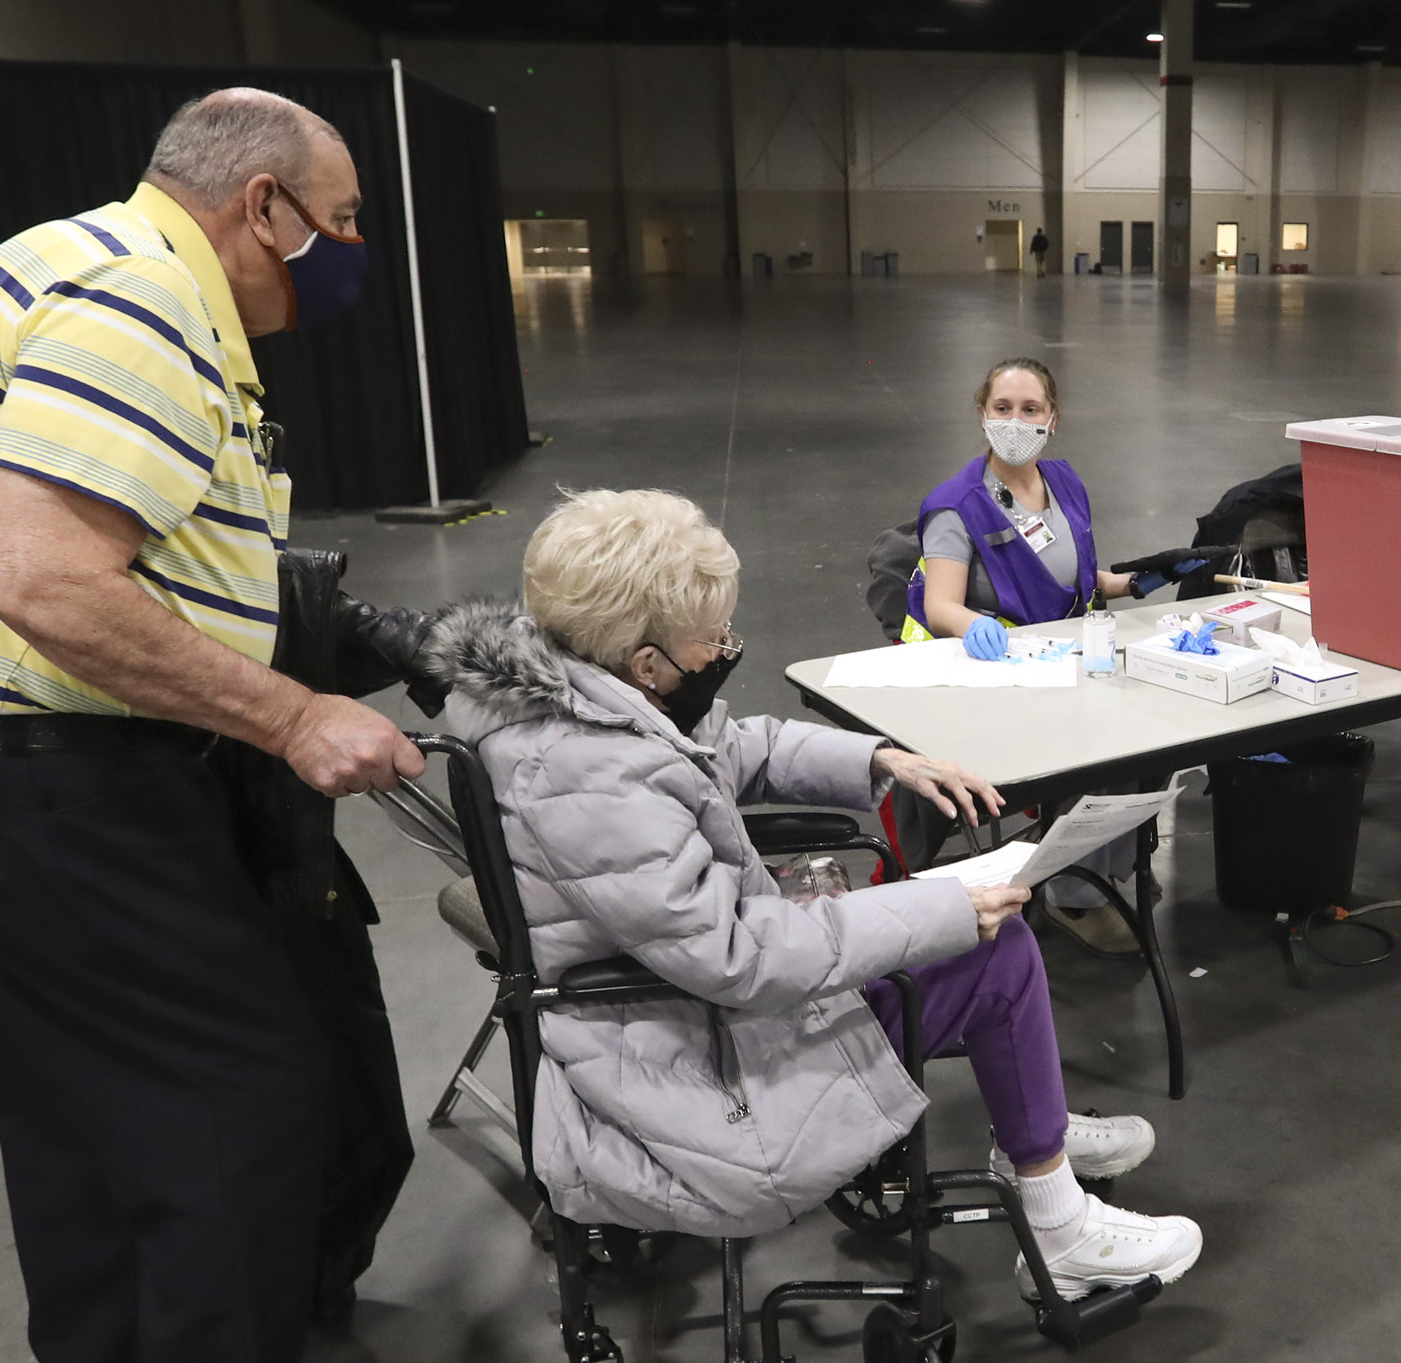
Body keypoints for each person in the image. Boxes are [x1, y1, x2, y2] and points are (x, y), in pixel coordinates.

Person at [0, 88, 414, 1363]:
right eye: (343, 221)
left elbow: (151, 539)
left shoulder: (75, 261)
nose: (353, 251)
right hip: (40, 775)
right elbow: (43, 584)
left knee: (75, 1095)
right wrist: (291, 718)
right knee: (242, 1077)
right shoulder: (143, 310)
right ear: (263, 207)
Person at [426, 488, 1206, 1301]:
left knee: (973, 929)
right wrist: (941, 910)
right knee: (991, 946)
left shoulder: (584, 701)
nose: (724, 651)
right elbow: (738, 958)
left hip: (686, 1007)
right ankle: (1058, 1225)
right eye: (711, 640)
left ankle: (1033, 1129)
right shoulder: (592, 779)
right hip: (700, 1063)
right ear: (647, 662)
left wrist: (881, 761)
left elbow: (731, 746)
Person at [214, 546, 442, 1330]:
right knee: (274, 1114)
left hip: (293, 868)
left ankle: (303, 1297)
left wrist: (473, 647)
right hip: (199, 868)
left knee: (357, 1110)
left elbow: (312, 618)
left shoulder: (242, 548)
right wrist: (298, 717)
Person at [906, 357, 1202, 953]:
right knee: (1103, 751)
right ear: (983, 415)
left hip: (1064, 661)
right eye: (1003, 409)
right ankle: (1075, 895)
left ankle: (1106, 864)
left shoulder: (1063, 483)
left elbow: (1075, 576)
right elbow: (941, 605)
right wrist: (976, 627)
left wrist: (1136, 581)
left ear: (1053, 420)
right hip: (999, 676)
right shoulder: (955, 505)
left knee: (1157, 737)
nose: (1016, 421)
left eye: (1030, 410)